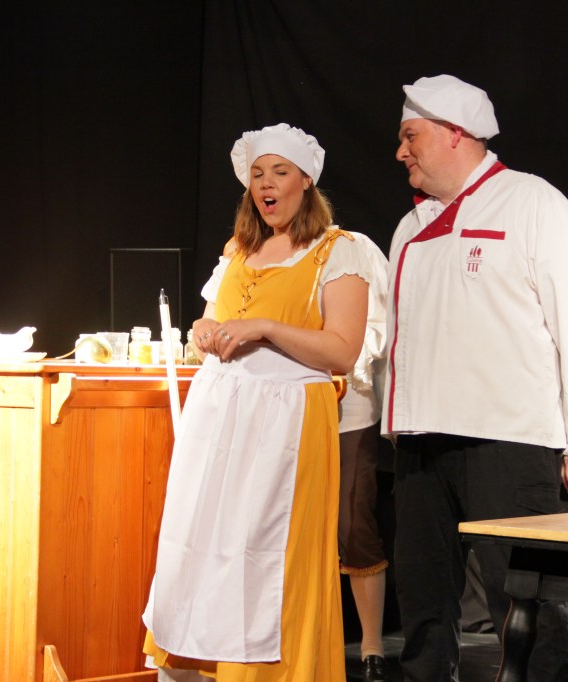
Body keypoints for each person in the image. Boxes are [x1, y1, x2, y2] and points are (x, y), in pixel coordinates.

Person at [383, 75, 568, 681]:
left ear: (454, 134)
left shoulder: (532, 203)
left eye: (410, 136)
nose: (401, 152)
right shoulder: (410, 227)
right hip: (421, 440)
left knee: (522, 598)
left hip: (507, 439)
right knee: (423, 601)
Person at [142, 123, 373, 680]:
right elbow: (213, 321)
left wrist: (265, 327)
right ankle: (208, 664)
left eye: (280, 172)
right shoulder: (238, 250)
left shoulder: (339, 251)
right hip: (222, 416)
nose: (266, 184)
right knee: (208, 542)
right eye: (258, 174)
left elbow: (342, 351)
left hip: (288, 420)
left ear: (306, 181)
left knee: (272, 554)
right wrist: (204, 330)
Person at [336, 234, 390, 682]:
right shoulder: (259, 252)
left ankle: (371, 645)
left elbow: (383, 323)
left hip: (348, 409)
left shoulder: (354, 248)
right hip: (286, 412)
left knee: (354, 522)